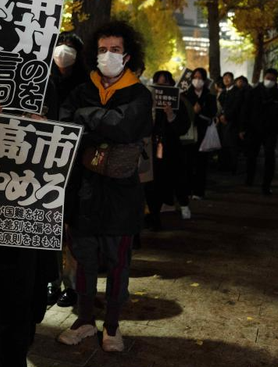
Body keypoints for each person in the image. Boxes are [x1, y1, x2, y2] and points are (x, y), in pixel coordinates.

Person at [58, 21, 153, 352]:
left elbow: (125, 127)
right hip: (84, 190)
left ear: (127, 56)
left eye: (114, 50)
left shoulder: (138, 93)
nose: (107, 56)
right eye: (102, 50)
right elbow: (66, 121)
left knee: (117, 261)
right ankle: (85, 320)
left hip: (121, 193)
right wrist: (98, 121)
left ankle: (112, 325)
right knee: (83, 258)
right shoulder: (83, 89)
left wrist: (89, 120)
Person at [46, 32, 87, 308]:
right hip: (43, 162)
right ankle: (51, 281)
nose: (64, 51)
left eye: (71, 47)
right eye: (61, 45)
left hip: (73, 166)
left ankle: (72, 286)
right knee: (48, 227)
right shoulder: (41, 79)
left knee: (69, 230)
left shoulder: (85, 85)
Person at [145, 71, 192, 229]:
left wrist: (171, 115)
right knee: (154, 182)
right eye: (158, 84)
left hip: (172, 148)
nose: (161, 88)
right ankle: (155, 215)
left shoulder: (179, 103)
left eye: (165, 84)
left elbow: (183, 128)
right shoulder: (148, 102)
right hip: (152, 147)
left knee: (177, 177)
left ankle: (183, 204)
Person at [241, 68, 278, 195]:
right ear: (263, 77)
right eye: (268, 78)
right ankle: (249, 178)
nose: (269, 81)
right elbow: (246, 110)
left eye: (272, 79)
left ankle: (266, 184)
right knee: (251, 156)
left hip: (270, 131)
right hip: (253, 129)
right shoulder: (253, 92)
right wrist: (243, 128)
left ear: (276, 80)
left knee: (270, 157)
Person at [183, 68, 217, 199]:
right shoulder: (185, 94)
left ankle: (199, 191)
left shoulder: (209, 96)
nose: (197, 80)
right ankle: (187, 190)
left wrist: (201, 111)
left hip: (203, 133)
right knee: (188, 163)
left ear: (204, 80)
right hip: (189, 133)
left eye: (200, 77)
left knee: (201, 164)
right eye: (195, 77)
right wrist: (193, 111)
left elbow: (213, 113)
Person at [217, 72, 243, 173]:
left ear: (233, 80)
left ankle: (232, 168)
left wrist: (226, 116)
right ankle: (224, 166)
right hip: (222, 122)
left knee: (232, 145)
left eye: (228, 78)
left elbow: (236, 107)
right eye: (224, 78)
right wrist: (220, 116)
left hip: (232, 122)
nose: (226, 80)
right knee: (223, 144)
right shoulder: (223, 92)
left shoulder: (237, 92)